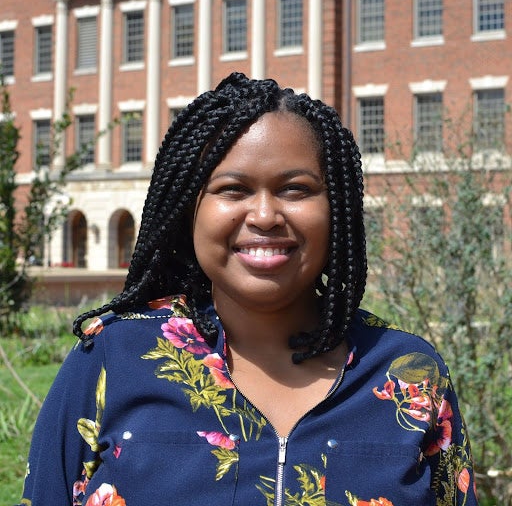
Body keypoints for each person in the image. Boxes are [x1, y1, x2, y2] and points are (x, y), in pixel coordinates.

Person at [18, 72, 478, 506]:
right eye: (233, 189)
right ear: (188, 210)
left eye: (296, 189)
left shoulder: (409, 373)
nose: (264, 215)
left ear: (336, 207)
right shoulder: (113, 358)